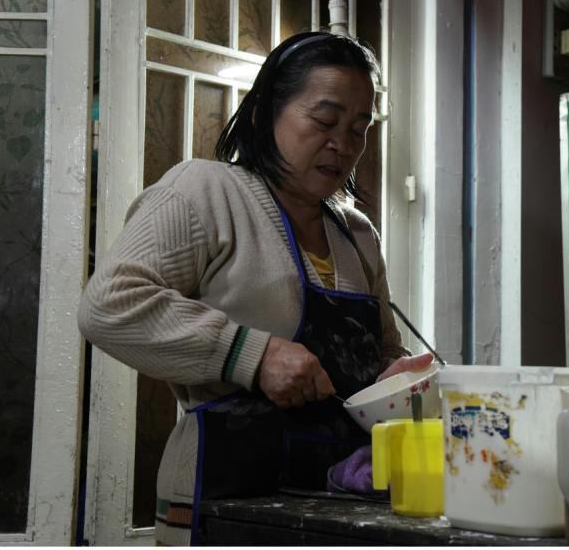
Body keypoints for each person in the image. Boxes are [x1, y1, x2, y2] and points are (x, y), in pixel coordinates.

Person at [78, 31, 433, 546]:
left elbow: (378, 351)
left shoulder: (356, 234)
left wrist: (394, 381)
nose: (344, 144)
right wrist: (253, 354)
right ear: (269, 110)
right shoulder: (205, 191)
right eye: (325, 120)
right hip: (224, 500)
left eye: (359, 129)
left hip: (337, 500)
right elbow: (110, 306)